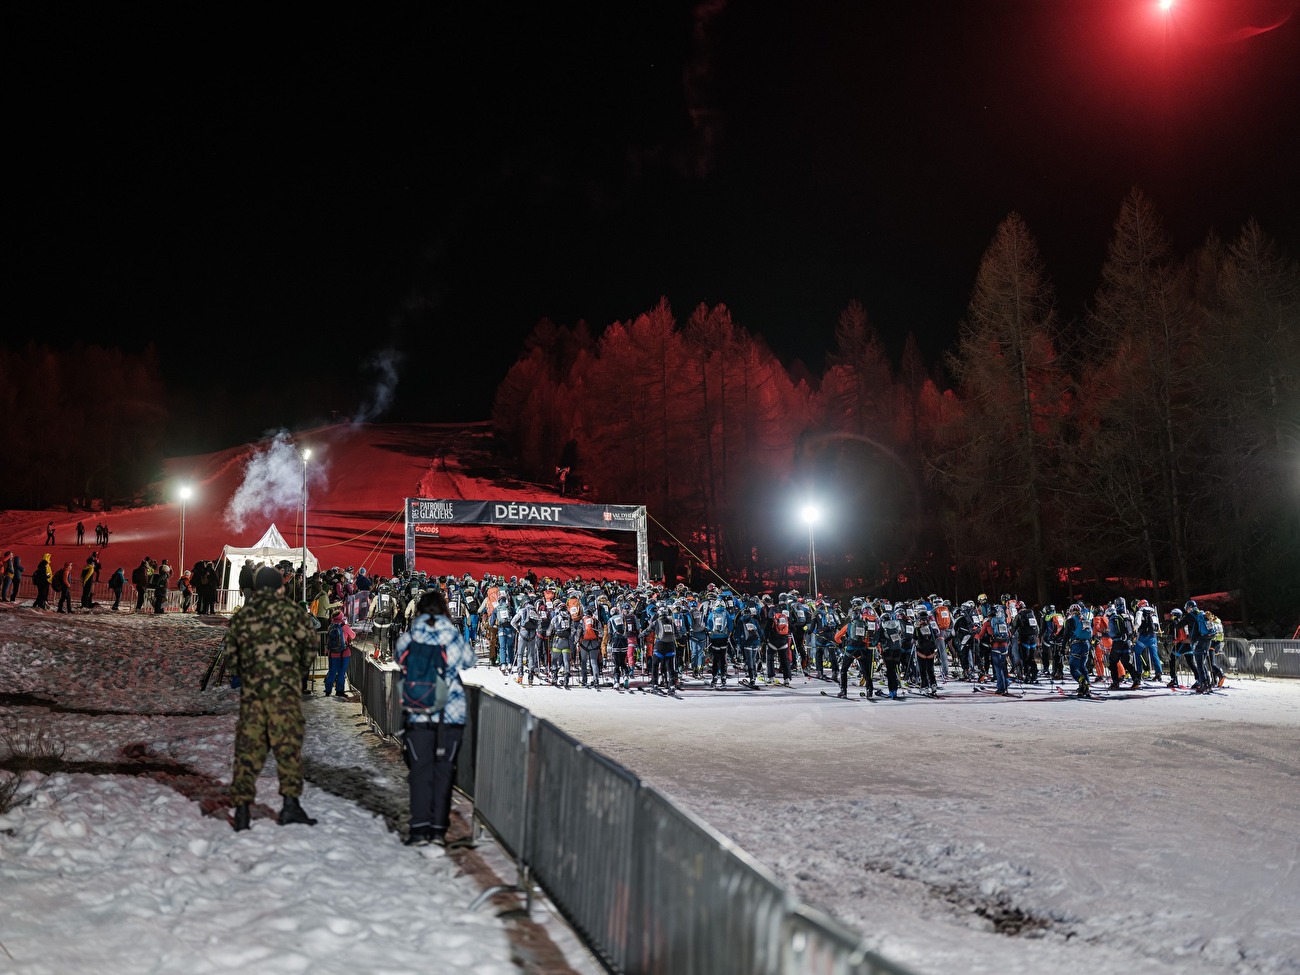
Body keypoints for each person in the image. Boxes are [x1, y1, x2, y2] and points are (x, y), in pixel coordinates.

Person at [226, 565, 319, 832]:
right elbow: (309, 649)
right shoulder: (293, 613)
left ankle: (242, 809)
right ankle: (290, 804)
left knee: (248, 750)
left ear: (257, 588)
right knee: (288, 748)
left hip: (254, 695)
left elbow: (232, 656)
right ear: (280, 587)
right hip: (284, 694)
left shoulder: (244, 616)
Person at [396, 586, 476, 846]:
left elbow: (400, 660)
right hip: (450, 716)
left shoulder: (411, 636)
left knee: (420, 771)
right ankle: (438, 830)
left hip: (418, 713)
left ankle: (419, 829)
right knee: (444, 772)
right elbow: (469, 661)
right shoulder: (452, 635)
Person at [323, 609, 356, 698]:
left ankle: (328, 691)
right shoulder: (344, 626)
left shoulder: (330, 627)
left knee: (332, 672)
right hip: (344, 654)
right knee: (341, 672)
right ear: (341, 617)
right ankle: (339, 691)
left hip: (332, 654)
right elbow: (353, 635)